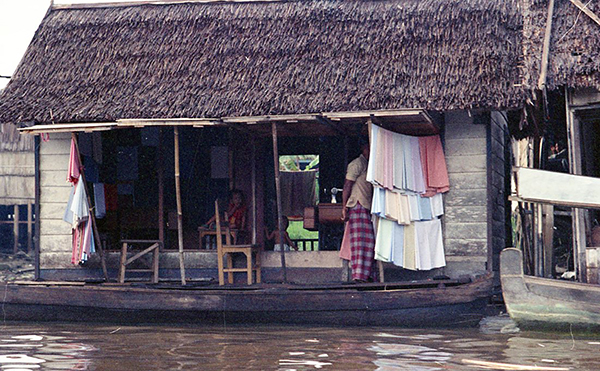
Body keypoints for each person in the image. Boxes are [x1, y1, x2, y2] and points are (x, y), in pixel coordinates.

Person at [341, 138, 375, 283]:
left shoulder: (369, 164)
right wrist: (344, 207)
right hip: (357, 205)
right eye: (368, 148)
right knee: (359, 243)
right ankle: (359, 276)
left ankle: (367, 275)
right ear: (363, 148)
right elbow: (347, 185)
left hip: (366, 206)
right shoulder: (357, 164)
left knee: (369, 242)